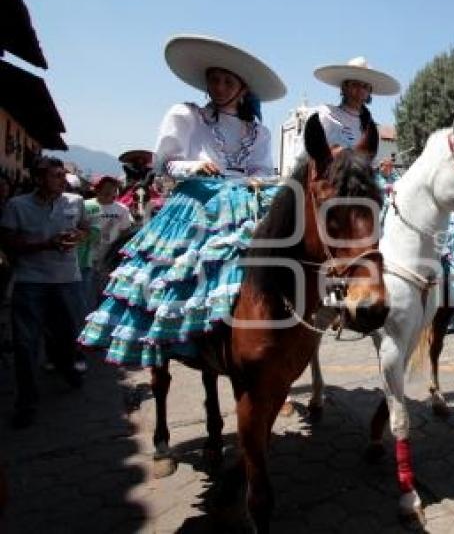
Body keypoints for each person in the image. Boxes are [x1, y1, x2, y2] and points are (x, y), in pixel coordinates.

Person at [78, 34, 286, 367]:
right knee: (179, 270)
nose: (218, 86)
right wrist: (193, 166)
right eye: (214, 79)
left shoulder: (259, 132)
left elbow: (261, 168)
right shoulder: (187, 114)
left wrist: (259, 181)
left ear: (243, 88)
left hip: (246, 198)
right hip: (199, 198)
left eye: (227, 80)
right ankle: (181, 332)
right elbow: (164, 161)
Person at [0, 157, 90, 428]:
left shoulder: (74, 202)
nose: (62, 180)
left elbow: (86, 229)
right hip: (31, 282)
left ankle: (66, 366)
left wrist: (77, 237)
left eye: (63, 175)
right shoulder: (18, 206)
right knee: (26, 345)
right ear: (38, 179)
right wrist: (45, 245)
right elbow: (7, 241)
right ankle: (26, 403)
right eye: (55, 176)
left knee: (69, 334)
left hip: (67, 280)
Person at [313, 56, 400, 158]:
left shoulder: (371, 128)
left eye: (365, 86)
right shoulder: (327, 114)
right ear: (344, 87)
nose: (360, 90)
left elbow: (373, 162)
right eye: (355, 84)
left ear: (369, 92)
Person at [79, 175, 134, 307]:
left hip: (110, 259)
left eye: (113, 187)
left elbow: (125, 233)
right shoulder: (85, 206)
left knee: (106, 293)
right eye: (107, 186)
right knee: (86, 294)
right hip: (86, 258)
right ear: (97, 188)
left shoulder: (122, 210)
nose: (111, 190)